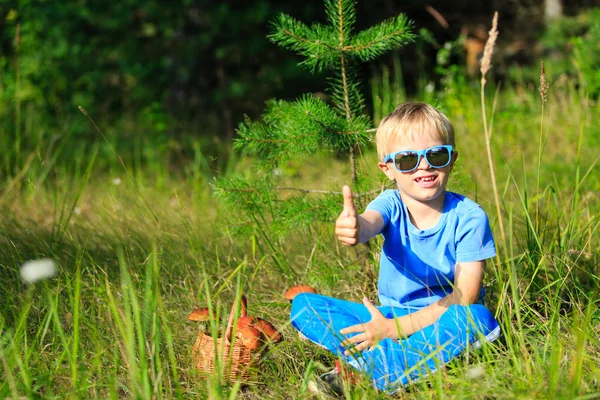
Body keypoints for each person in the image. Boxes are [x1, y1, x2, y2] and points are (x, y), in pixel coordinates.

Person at [290, 102, 500, 395]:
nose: (424, 165)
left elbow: (465, 297)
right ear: (388, 169)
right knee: (304, 305)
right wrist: (354, 227)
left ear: (452, 159)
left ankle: (368, 368)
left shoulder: (469, 217)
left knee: (476, 318)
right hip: (386, 316)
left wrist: (394, 331)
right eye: (407, 160)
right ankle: (390, 365)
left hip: (440, 321)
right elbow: (369, 223)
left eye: (436, 155)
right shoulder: (390, 204)